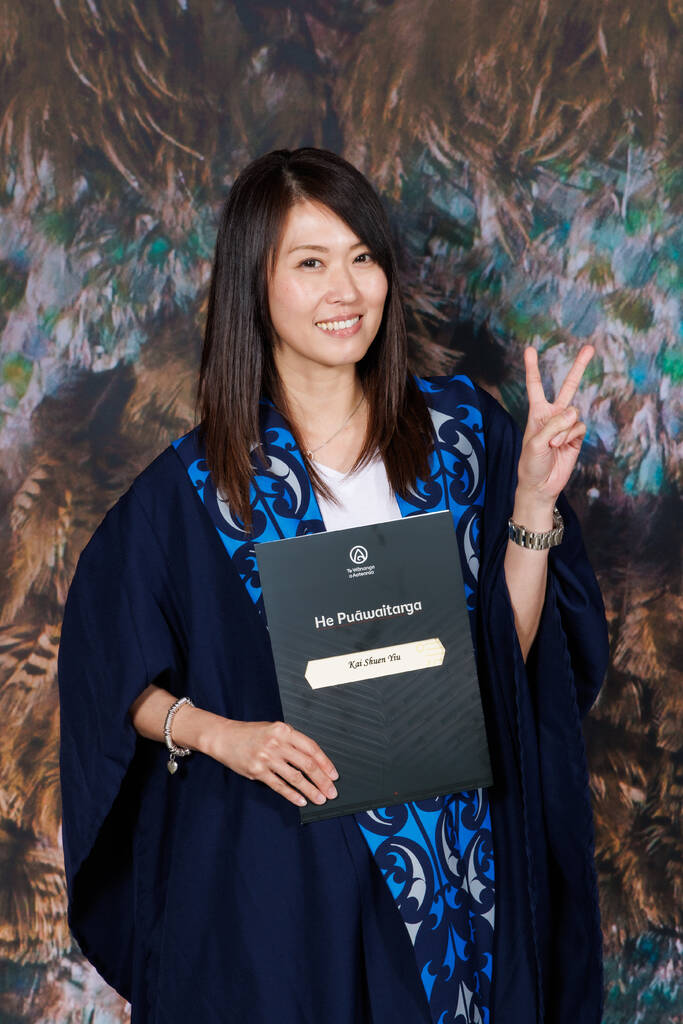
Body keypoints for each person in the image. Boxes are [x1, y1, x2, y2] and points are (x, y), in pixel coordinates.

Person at [58, 148, 609, 1024]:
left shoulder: (462, 439)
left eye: (362, 257)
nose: (345, 289)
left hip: (454, 862)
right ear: (256, 284)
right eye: (310, 263)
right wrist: (216, 735)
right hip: (287, 888)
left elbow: (504, 657)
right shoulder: (201, 488)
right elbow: (103, 663)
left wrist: (534, 502)